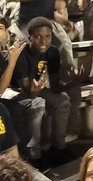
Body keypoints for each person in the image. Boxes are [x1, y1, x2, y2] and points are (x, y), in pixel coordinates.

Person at [11, 18, 72, 164]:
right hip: (14, 92)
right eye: (38, 36)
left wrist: (73, 82)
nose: (43, 40)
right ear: (29, 37)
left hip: (35, 90)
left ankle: (58, 147)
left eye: (47, 36)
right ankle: (33, 155)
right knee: (38, 103)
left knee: (62, 99)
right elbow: (28, 92)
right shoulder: (22, 53)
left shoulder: (52, 52)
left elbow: (56, 87)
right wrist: (36, 91)